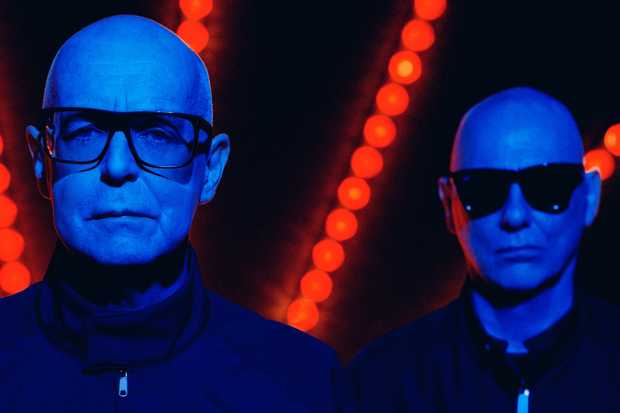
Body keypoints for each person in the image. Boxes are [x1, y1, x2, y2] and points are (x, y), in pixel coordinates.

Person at [0, 15, 340, 412]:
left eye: (158, 134)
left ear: (210, 168)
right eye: (85, 132)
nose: (118, 166)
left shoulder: (303, 383)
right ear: (40, 159)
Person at [348, 87, 620, 412]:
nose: (514, 215)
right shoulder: (381, 383)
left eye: (548, 186)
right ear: (448, 202)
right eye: (483, 189)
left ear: (590, 197)